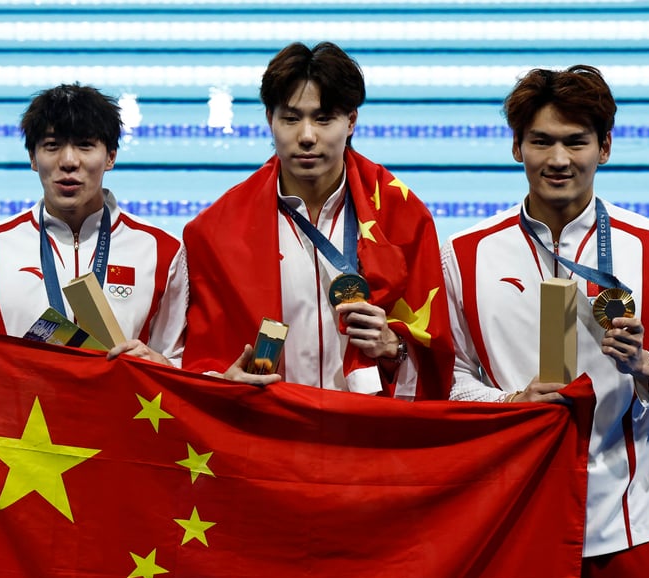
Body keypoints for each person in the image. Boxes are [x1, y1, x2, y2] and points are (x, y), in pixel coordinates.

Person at [441, 65, 649, 578]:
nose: (559, 159)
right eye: (541, 140)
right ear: (516, 145)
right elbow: (448, 379)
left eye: (576, 141)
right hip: (508, 522)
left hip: (625, 524)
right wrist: (510, 402)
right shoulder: (463, 255)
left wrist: (648, 367)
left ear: (605, 147)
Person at [181, 42, 453, 398]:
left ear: (351, 121)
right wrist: (220, 382)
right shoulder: (216, 232)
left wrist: (393, 346)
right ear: (270, 120)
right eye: (291, 118)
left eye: (324, 119)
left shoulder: (402, 216)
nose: (307, 136)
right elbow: (198, 363)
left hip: (367, 436)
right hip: (270, 433)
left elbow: (440, 356)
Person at [0, 83, 186, 365]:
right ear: (33, 158)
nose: (69, 161)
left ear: (110, 157)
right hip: (23, 409)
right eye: (52, 146)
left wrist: (162, 364)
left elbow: (177, 361)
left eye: (85, 145)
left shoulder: (162, 251)